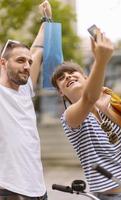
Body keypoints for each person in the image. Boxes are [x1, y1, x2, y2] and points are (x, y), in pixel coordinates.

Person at [51, 28, 121, 199]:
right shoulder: (69, 116)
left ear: (87, 78)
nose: (67, 76)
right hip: (110, 196)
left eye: (72, 72)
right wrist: (101, 60)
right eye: (61, 78)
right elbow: (89, 98)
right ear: (61, 92)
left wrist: (106, 110)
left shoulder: (107, 102)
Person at [0, 1, 52, 200]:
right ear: (3, 63)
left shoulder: (25, 89)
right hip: (9, 189)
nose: (27, 66)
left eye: (29, 62)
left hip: (38, 188)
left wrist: (46, 19)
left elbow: (38, 46)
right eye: (20, 61)